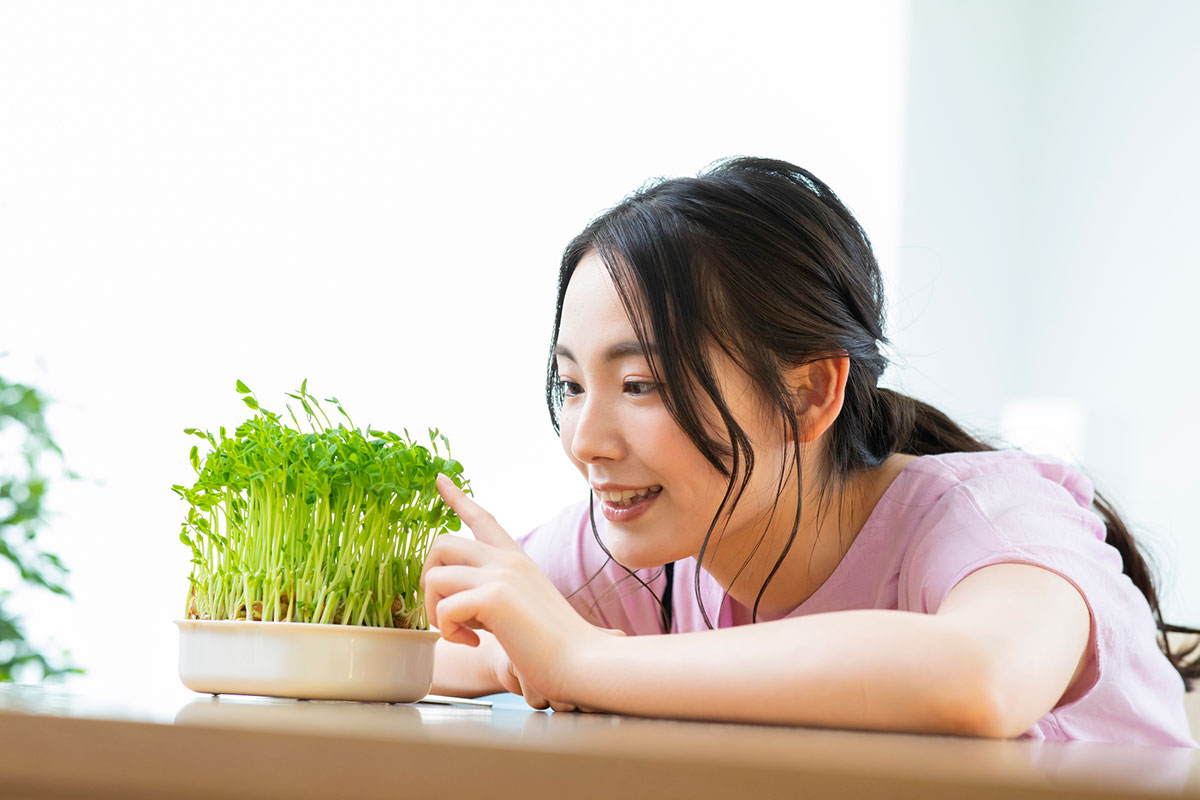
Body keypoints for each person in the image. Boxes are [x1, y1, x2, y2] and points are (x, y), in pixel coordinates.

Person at [419, 156, 1199, 746]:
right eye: (572, 387)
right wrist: (513, 654)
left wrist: (583, 661)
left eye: (642, 383)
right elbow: (428, 648)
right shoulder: (635, 543)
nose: (586, 442)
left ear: (808, 393)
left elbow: (982, 677)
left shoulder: (983, 515)